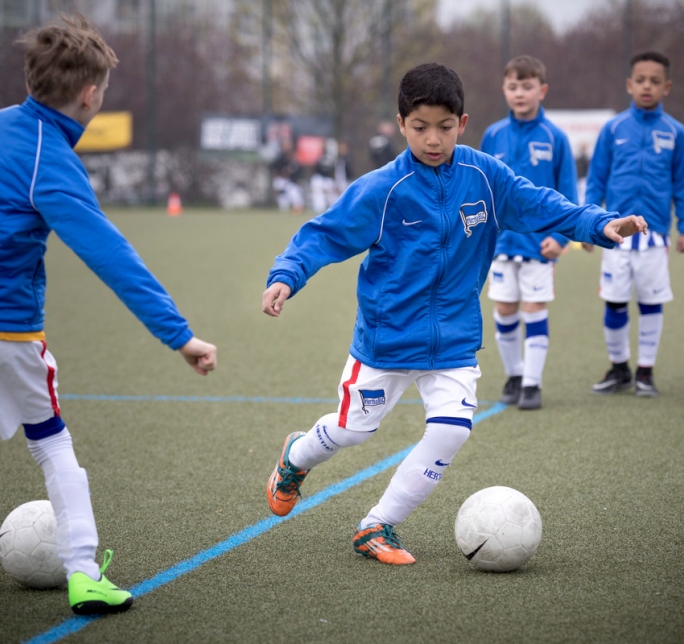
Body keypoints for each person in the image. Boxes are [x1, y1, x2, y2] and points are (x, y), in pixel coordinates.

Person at [0, 15, 217, 616]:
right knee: (53, 445)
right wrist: (179, 336)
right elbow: (112, 256)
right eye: (103, 89)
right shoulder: (51, 160)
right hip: (2, 331)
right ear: (90, 95)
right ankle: (84, 572)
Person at [261, 63, 646, 565]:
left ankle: (377, 525)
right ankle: (296, 456)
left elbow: (543, 204)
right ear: (401, 124)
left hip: (454, 342)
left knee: (452, 429)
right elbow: (324, 235)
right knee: (353, 430)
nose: (433, 138)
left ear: (462, 123)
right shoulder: (382, 188)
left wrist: (599, 223)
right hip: (387, 341)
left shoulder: (484, 176)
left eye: (444, 126)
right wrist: (285, 275)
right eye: (420, 127)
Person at [585, 51, 684, 397]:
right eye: (641, 80)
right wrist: (588, 223)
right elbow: (596, 179)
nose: (647, 87)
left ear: (667, 87)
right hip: (614, 234)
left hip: (655, 237)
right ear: (630, 85)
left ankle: (645, 371)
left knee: (650, 302)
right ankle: (620, 369)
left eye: (655, 81)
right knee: (615, 301)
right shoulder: (614, 128)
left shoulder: (675, 132)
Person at [480, 55, 578, 410]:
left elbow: (567, 192)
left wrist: (563, 237)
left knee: (534, 308)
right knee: (504, 310)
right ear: (504, 90)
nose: (519, 93)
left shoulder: (555, 137)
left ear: (542, 90)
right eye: (512, 87)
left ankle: (533, 385)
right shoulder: (493, 135)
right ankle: (515, 375)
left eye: (527, 86)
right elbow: (482, 188)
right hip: (502, 243)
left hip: (540, 243)